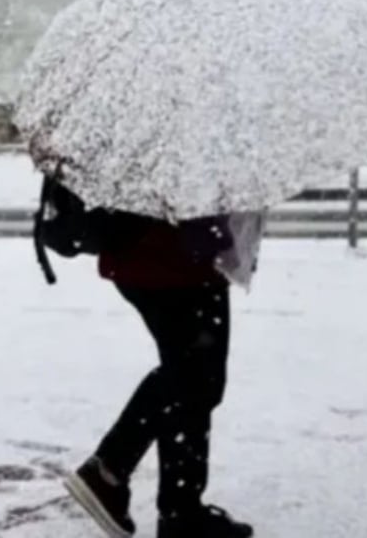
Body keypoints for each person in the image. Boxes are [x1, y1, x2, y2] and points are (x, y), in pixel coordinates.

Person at [64, 212, 258, 538]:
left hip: (156, 253)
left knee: (191, 379)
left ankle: (176, 508)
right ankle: (116, 474)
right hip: (173, 257)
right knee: (193, 377)